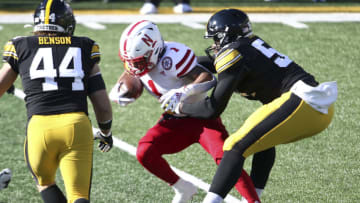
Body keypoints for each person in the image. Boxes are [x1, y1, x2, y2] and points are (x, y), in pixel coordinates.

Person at [161, 9, 337, 203]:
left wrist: (179, 107)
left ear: (225, 35)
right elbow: (211, 65)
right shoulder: (246, 46)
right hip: (317, 109)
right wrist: (175, 65)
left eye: (216, 39)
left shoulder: (233, 53)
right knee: (262, 140)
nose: (214, 45)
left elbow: (213, 109)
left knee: (234, 146)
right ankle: (253, 199)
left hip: (304, 102)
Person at [110, 20, 260, 203]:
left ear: (154, 49)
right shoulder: (139, 62)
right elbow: (131, 73)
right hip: (173, 120)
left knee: (226, 159)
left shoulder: (173, 56)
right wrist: (124, 89)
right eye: (129, 62)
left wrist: (184, 91)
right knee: (144, 151)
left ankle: (253, 201)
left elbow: (208, 78)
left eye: (138, 62)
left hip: (201, 118)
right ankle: (183, 188)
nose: (134, 67)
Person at [0, 0, 113, 203]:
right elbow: (103, 107)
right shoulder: (85, 46)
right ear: (68, 24)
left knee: (44, 182)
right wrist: (106, 133)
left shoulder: (21, 45)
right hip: (76, 126)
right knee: (79, 195)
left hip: (39, 128)